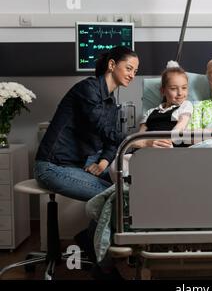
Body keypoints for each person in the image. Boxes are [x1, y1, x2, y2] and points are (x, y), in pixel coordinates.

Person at [34, 45, 139, 201]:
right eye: (129, 69)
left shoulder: (111, 102)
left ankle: (97, 226)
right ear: (112, 65)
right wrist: (137, 141)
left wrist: (103, 163)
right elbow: (102, 127)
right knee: (117, 197)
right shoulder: (87, 89)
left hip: (77, 164)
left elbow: (110, 140)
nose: (132, 75)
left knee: (132, 183)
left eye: (135, 72)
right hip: (52, 167)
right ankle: (98, 227)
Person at [109, 61, 193, 182]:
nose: (180, 93)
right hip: (145, 151)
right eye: (174, 89)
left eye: (184, 88)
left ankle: (146, 182)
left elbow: (181, 126)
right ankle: (127, 190)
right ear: (163, 91)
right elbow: (139, 137)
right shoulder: (150, 112)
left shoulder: (185, 105)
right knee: (117, 164)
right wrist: (142, 144)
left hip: (167, 148)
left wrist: (168, 139)